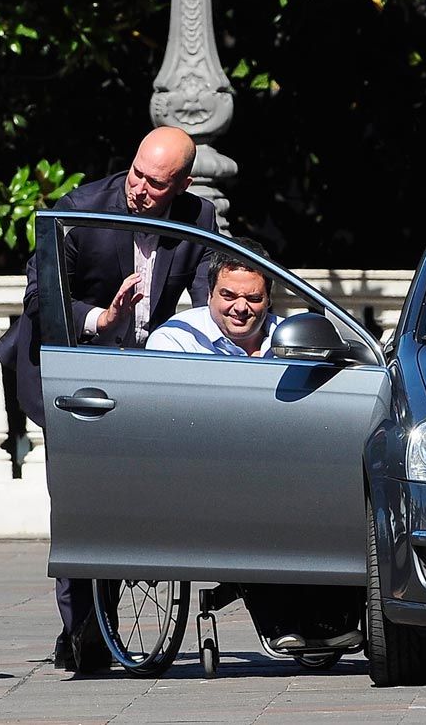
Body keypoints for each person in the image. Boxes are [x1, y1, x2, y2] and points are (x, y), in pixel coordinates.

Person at [0, 125, 218, 674]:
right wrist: (102, 319)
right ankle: (83, 632)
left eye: (157, 183)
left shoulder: (199, 217)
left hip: (146, 376)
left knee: (131, 500)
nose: (140, 190)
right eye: (137, 174)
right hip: (75, 370)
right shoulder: (80, 208)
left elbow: (214, 297)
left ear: (183, 184)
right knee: (81, 505)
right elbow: (39, 298)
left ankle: (107, 619)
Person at [146, 240, 366, 652]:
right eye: (228, 296)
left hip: (287, 465)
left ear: (268, 299)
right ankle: (280, 619)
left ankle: (331, 617)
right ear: (209, 293)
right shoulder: (176, 341)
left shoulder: (292, 336)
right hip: (205, 471)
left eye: (253, 297)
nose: (240, 307)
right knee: (252, 496)